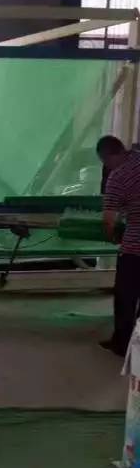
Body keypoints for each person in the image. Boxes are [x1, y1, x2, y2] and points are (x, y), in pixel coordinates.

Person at [96, 135, 140, 356]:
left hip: (135, 248)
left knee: (125, 297)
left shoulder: (117, 176)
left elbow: (109, 220)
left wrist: (112, 236)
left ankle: (122, 345)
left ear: (107, 157)